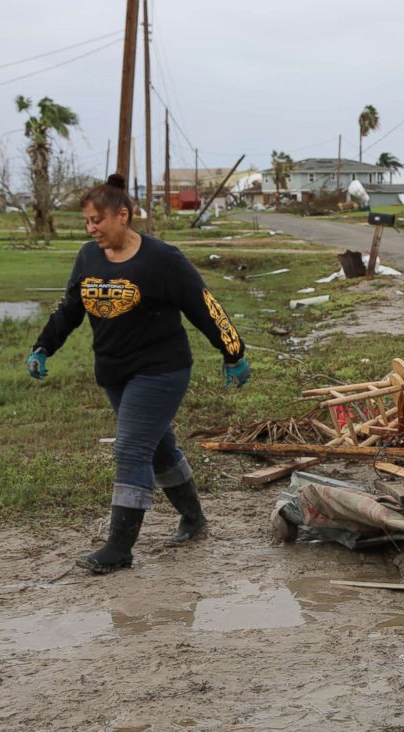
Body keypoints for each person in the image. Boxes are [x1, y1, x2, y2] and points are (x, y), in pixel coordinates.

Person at [26, 173, 251, 575]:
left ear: (123, 216)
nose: (91, 228)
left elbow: (203, 305)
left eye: (97, 220)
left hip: (162, 370)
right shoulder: (88, 257)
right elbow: (70, 309)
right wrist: (44, 346)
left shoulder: (162, 259)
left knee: (131, 449)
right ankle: (195, 518)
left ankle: (119, 547)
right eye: (87, 222)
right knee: (159, 447)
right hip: (114, 371)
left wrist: (233, 352)